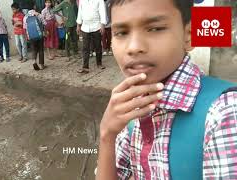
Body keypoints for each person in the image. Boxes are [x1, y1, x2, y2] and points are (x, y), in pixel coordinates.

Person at [96, 0, 237, 179]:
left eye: (155, 28)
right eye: (121, 32)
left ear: (189, 36)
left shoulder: (225, 112)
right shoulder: (131, 107)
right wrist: (107, 135)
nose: (133, 47)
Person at [76, 0, 107, 73]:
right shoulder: (82, 1)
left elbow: (102, 12)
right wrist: (78, 25)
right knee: (85, 48)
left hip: (96, 26)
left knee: (98, 46)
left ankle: (99, 63)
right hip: (85, 27)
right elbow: (80, 12)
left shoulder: (100, 0)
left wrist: (103, 25)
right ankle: (85, 67)